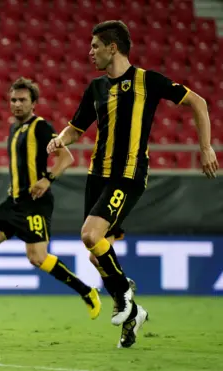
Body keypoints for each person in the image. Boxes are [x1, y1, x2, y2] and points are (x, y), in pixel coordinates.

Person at [47, 20, 219, 348]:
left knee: (89, 235)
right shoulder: (95, 88)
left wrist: (206, 146)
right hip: (97, 176)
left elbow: (199, 102)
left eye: (96, 46)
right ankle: (133, 314)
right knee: (97, 255)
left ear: (113, 47)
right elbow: (76, 128)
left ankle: (124, 294)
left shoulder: (147, 81)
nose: (90, 52)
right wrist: (60, 138)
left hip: (127, 175)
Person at [0, 77, 101, 325]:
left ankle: (87, 291)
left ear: (34, 103)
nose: (17, 104)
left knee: (37, 257)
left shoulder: (41, 127)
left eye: (23, 100)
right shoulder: (14, 128)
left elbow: (66, 158)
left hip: (35, 202)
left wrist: (47, 179)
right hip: (13, 201)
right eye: (13, 99)